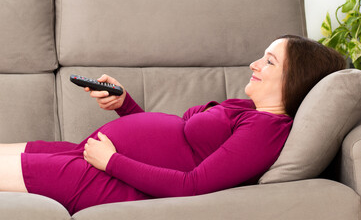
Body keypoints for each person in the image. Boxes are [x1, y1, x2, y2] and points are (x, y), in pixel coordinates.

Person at [0, 35, 346, 215]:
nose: (255, 63)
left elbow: (192, 184)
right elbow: (174, 144)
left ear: (294, 79)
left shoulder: (266, 131)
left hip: (105, 178)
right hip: (93, 158)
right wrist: (125, 105)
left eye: (269, 61)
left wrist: (111, 160)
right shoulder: (248, 108)